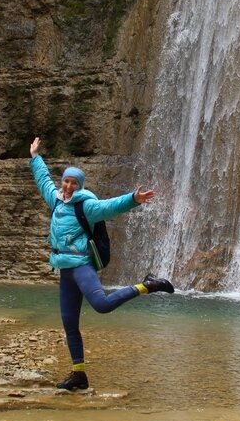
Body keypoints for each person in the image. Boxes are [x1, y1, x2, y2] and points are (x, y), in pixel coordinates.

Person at [29, 136, 174, 391]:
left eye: (74, 182)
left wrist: (133, 199)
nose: (69, 185)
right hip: (65, 269)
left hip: (82, 266)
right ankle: (79, 374)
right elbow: (43, 182)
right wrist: (35, 158)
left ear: (80, 185)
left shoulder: (87, 206)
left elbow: (111, 206)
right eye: (66, 181)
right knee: (69, 324)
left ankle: (147, 285)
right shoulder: (55, 200)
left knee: (102, 305)